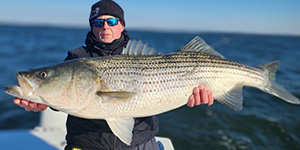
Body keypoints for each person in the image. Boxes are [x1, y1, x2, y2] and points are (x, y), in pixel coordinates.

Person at [14, 0, 214, 149]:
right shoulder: (77, 58)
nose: (105, 27)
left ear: (121, 25)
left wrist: (196, 95)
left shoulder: (137, 56)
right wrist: (45, 101)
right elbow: (69, 95)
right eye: (98, 23)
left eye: (111, 21)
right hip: (87, 144)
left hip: (139, 142)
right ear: (92, 26)